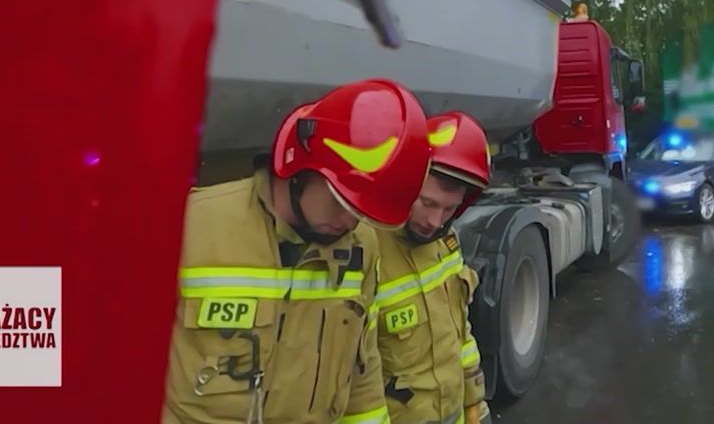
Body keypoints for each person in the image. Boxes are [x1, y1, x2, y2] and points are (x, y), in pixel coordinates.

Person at [163, 79, 433, 424]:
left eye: (362, 211)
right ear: (302, 165)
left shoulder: (362, 246)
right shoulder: (193, 224)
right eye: (340, 200)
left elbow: (362, 369)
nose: (350, 223)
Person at [375, 112, 492, 424]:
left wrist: (475, 406)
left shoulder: (446, 242)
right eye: (427, 203)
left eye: (449, 209)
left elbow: (460, 333)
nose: (434, 221)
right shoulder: (365, 249)